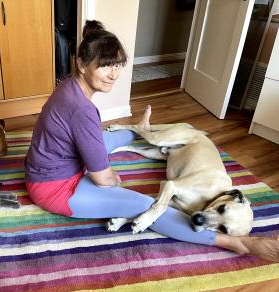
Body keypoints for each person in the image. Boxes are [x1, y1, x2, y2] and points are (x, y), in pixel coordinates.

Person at [24, 20, 279, 262]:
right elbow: (102, 178)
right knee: (145, 205)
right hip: (54, 188)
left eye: (117, 65)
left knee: (103, 139)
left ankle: (139, 129)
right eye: (105, 65)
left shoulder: (68, 86)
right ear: (82, 64)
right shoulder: (82, 110)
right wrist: (112, 178)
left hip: (48, 168)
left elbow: (88, 139)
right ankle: (237, 243)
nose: (114, 74)